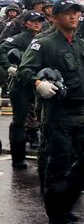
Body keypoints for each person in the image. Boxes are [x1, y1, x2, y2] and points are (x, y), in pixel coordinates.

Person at [17, 0, 84, 224]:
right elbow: (24, 71)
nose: (73, 16)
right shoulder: (44, 43)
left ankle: (64, 199)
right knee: (59, 163)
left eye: (76, 12)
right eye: (67, 12)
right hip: (58, 113)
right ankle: (57, 214)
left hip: (83, 111)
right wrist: (39, 83)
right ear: (55, 17)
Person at [0, 11, 45, 168]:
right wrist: (9, 68)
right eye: (34, 21)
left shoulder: (43, 38)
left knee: (44, 120)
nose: (37, 23)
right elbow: (2, 49)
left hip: (39, 84)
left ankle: (44, 156)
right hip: (21, 85)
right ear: (26, 23)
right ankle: (17, 159)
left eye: (39, 21)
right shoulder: (19, 38)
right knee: (19, 121)